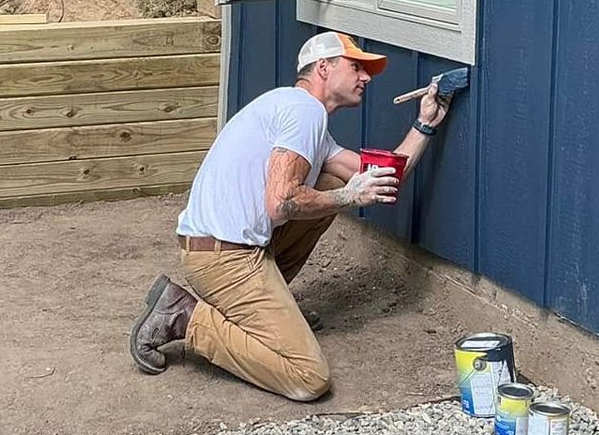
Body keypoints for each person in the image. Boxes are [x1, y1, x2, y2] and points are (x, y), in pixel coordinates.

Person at [128, 30, 451, 400]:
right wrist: (348, 196)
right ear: (324, 68)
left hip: (221, 250)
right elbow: (281, 203)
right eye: (356, 67)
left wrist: (425, 124)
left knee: (329, 182)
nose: (366, 77)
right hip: (224, 260)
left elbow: (380, 175)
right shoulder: (303, 111)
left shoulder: (300, 116)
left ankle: (263, 315)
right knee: (308, 378)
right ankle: (184, 317)